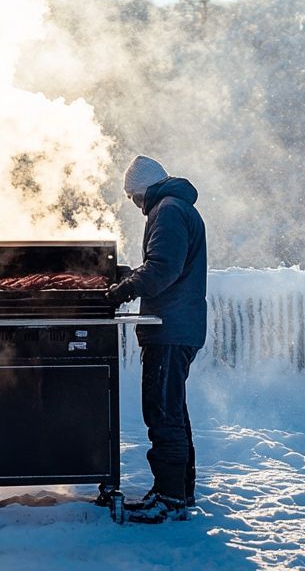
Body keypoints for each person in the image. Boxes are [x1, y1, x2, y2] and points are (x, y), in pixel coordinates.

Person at [105, 155, 207, 524]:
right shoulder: (176, 207)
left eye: (133, 197)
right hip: (177, 325)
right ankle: (180, 491)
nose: (135, 205)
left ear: (143, 190)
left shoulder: (167, 210)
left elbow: (163, 268)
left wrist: (122, 290)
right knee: (172, 410)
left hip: (170, 327)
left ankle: (169, 498)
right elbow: (166, 265)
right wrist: (129, 276)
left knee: (163, 413)